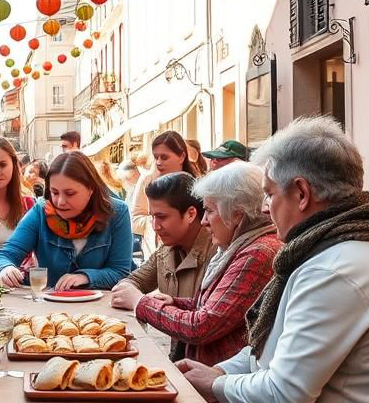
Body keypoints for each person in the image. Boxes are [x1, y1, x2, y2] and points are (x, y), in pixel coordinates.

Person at [178, 116, 369, 403]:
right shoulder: (339, 250)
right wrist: (219, 373)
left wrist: (217, 385)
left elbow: (285, 394)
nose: (265, 207)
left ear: (301, 193)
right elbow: (270, 353)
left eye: (269, 194)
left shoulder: (334, 268)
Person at [136, 163, 281, 366]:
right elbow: (216, 307)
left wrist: (142, 304)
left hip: (222, 383)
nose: (204, 221)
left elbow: (202, 326)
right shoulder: (237, 246)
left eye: (209, 211)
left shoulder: (257, 254)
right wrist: (174, 302)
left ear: (237, 214)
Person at [0, 151, 133, 290]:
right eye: (54, 193)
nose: (60, 202)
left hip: (99, 308)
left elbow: (120, 272)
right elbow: (5, 255)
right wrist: (5, 268)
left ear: (91, 189)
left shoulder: (118, 212)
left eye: (70, 193)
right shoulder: (41, 211)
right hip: (50, 307)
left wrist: (85, 277)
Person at [109, 172, 213, 312]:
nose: (154, 226)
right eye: (152, 217)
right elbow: (133, 282)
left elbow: (205, 319)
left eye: (161, 217)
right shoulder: (165, 251)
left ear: (190, 214)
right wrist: (129, 291)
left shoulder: (218, 254)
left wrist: (140, 302)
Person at [131, 131, 199, 258]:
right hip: (154, 252)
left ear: (181, 156)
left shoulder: (196, 185)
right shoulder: (147, 180)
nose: (158, 162)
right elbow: (134, 219)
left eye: (164, 157)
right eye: (156, 157)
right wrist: (157, 219)